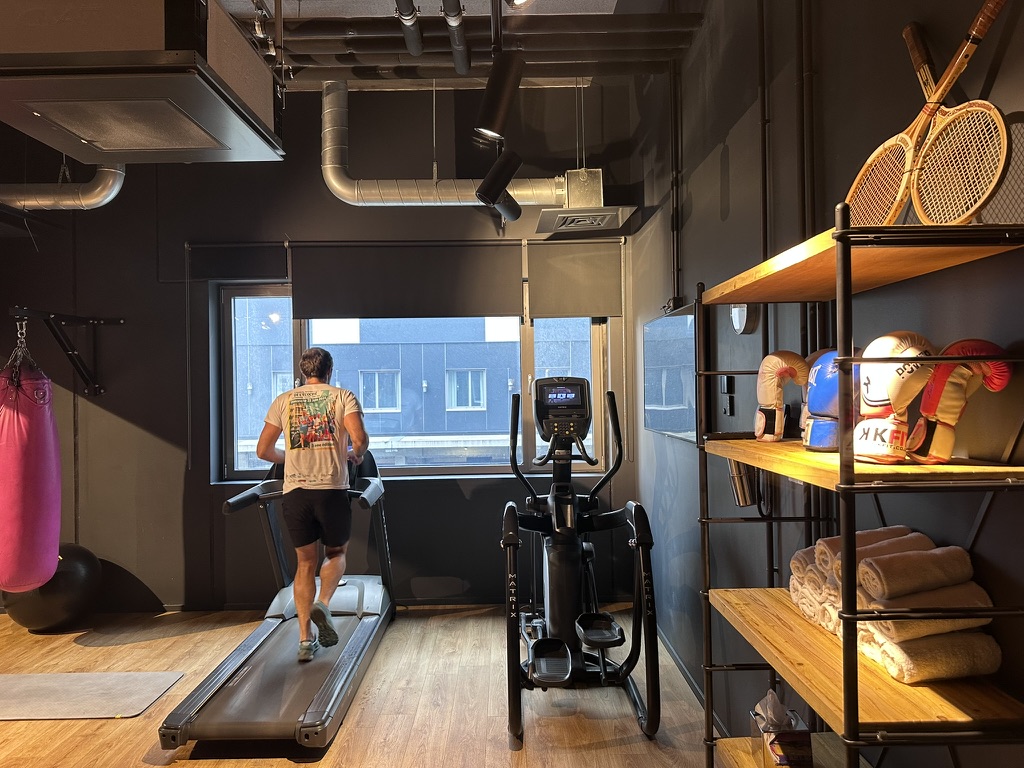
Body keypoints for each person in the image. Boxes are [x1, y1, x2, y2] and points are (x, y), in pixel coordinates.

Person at [256, 347, 369, 662]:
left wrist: (291, 458)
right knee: (336, 553)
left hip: (296, 492)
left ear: (303, 371)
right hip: (330, 489)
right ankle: (324, 603)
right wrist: (355, 454)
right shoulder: (343, 396)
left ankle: (305, 640)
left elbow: (263, 451)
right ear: (329, 370)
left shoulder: (283, 400)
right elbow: (360, 440)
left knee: (304, 563)